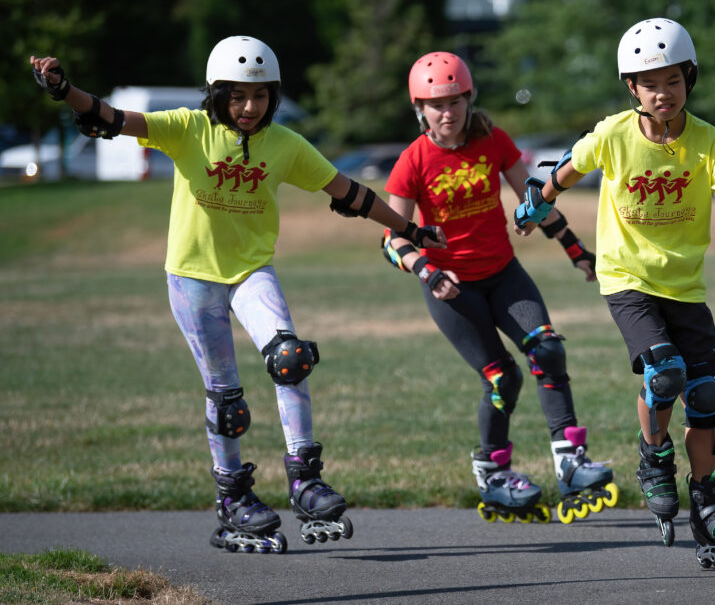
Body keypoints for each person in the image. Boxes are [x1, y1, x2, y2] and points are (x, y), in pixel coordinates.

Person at [29, 36, 446, 554]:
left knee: (290, 359)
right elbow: (111, 118)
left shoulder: (285, 145)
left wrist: (408, 228)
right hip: (192, 278)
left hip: (251, 272)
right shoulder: (187, 129)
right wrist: (64, 90)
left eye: (261, 96)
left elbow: (350, 193)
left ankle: (305, 480)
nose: (250, 108)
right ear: (216, 93)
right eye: (237, 96)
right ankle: (232, 499)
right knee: (227, 399)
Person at [513, 18, 715, 569]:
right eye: (650, 83)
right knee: (665, 375)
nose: (664, 93)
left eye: (674, 81)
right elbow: (568, 168)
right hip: (627, 278)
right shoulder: (614, 134)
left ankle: (708, 503)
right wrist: (538, 201)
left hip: (685, 285)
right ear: (631, 88)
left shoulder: (708, 141)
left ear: (690, 78)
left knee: (705, 397)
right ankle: (655, 456)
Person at [381, 51, 619, 524]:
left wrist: (575, 249)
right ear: (419, 109)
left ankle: (570, 462)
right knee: (501, 378)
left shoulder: (493, 140)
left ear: (470, 100)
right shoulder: (412, 160)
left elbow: (533, 198)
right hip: (452, 288)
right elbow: (392, 239)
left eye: (455, 101)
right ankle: (493, 473)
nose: (446, 113)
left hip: (504, 274)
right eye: (435, 104)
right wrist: (429, 273)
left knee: (548, 350)